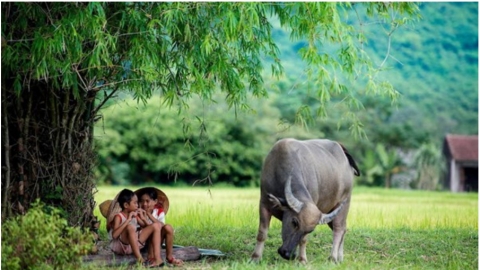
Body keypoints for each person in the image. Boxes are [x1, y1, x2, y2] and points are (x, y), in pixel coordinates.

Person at [108, 188, 165, 267]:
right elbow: (114, 235)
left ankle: (158, 259)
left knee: (156, 226)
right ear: (126, 205)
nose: (138, 205)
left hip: (134, 245)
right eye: (135, 203)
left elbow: (148, 228)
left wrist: (144, 218)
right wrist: (128, 220)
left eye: (137, 203)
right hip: (121, 247)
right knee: (130, 227)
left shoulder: (135, 215)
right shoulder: (118, 217)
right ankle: (140, 259)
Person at [137, 187, 184, 267]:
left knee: (168, 227)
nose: (144, 204)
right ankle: (151, 257)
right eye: (142, 201)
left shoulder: (159, 211)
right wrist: (143, 218)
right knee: (154, 229)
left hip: (157, 241)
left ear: (155, 201)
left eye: (147, 201)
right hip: (143, 243)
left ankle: (169, 257)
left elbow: (161, 225)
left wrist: (149, 215)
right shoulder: (138, 212)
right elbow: (142, 230)